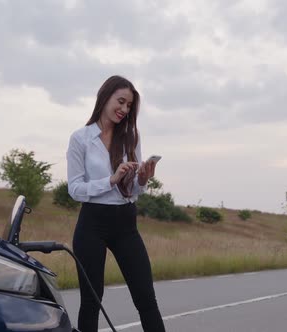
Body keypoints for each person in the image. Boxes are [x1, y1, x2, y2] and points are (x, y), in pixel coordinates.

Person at [66, 75, 166, 332]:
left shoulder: (131, 135)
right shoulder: (80, 139)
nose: (124, 109)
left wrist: (142, 179)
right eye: (120, 102)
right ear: (105, 97)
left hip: (125, 223)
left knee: (146, 299)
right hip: (92, 224)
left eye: (129, 105)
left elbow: (132, 189)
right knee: (91, 301)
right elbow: (75, 189)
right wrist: (110, 180)